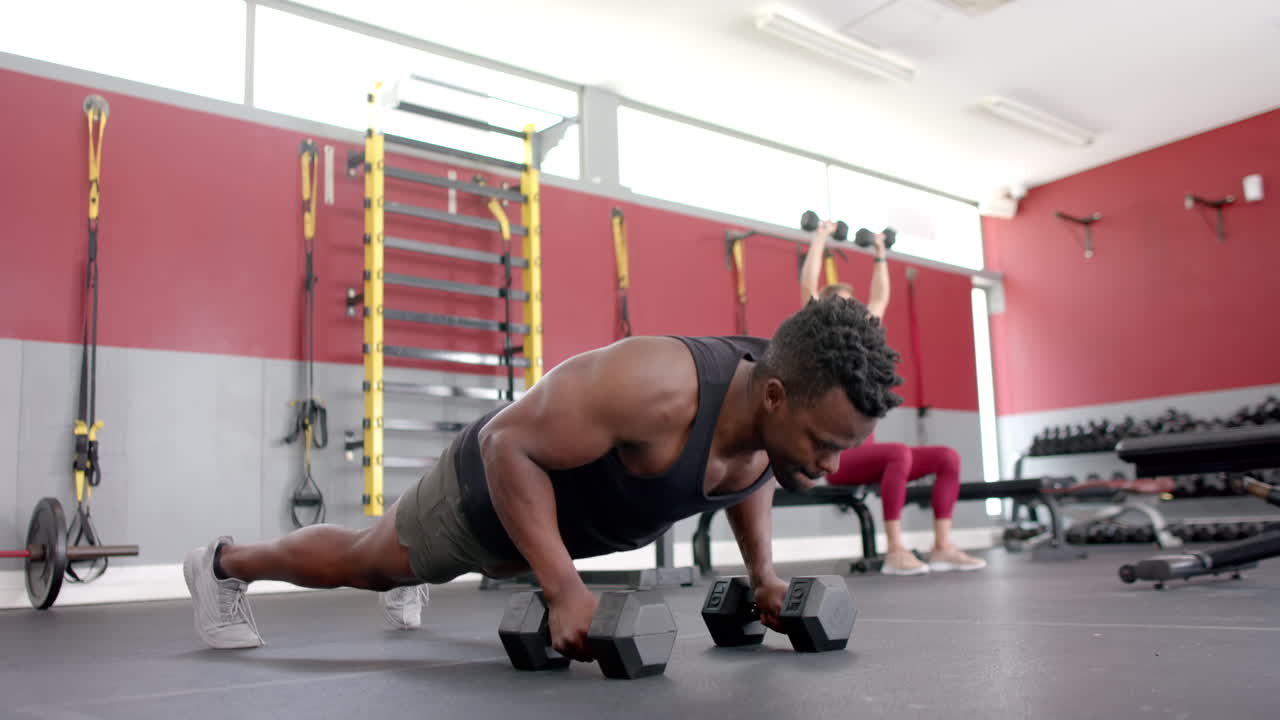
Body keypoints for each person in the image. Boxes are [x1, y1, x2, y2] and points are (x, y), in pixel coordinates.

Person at [184, 299, 903, 659]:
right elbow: (505, 447)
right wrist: (562, 589)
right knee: (368, 561)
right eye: (822, 443)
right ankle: (222, 564)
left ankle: (422, 569)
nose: (832, 466)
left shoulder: (773, 407)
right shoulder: (653, 386)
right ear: (774, 399)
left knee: (460, 558)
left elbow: (755, 474)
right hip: (485, 489)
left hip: (548, 525)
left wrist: (766, 574)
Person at [799, 220, 986, 576]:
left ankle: (943, 546)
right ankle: (896, 550)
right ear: (822, 311)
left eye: (852, 305)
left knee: (947, 457)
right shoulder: (821, 341)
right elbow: (808, 284)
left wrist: (881, 252)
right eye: (840, 305)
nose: (850, 312)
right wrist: (820, 236)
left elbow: (880, 299)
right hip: (836, 459)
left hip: (868, 456)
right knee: (898, 452)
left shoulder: (862, 344)